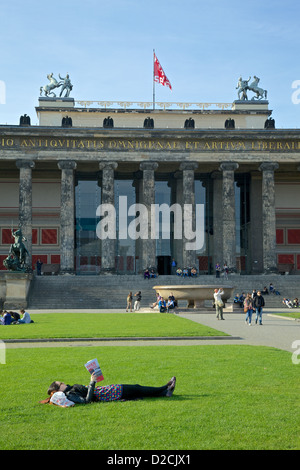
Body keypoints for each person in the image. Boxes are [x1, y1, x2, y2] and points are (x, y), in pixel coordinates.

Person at [41, 373, 176, 407]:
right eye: (62, 383)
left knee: (137, 390)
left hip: (107, 390)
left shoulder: (70, 391)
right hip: (109, 394)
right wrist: (92, 382)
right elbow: (87, 400)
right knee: (137, 388)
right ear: (59, 389)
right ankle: (165, 387)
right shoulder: (70, 395)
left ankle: (165, 392)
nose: (65, 383)